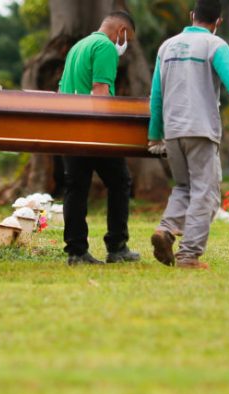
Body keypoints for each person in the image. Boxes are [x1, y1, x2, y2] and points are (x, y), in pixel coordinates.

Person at [148, 0, 229, 269]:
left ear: (192, 16)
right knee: (206, 192)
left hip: (172, 131)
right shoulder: (215, 46)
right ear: (218, 22)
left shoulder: (166, 46)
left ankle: (166, 230)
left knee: (183, 187)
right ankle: (188, 255)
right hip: (201, 130)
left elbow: (156, 94)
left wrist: (155, 134)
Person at [58, 11, 141, 266]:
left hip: (70, 127)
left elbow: (62, 88)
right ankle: (117, 246)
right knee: (120, 181)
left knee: (76, 187)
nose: (126, 46)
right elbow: (100, 91)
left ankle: (76, 251)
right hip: (94, 128)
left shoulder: (78, 46)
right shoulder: (105, 46)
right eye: (129, 40)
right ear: (122, 32)